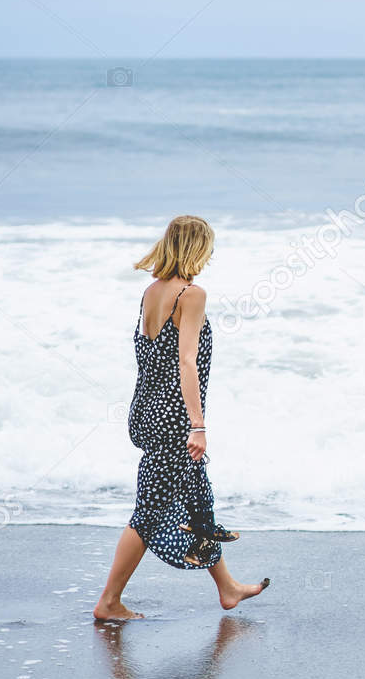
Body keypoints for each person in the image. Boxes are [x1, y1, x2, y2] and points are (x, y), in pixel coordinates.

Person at [93, 214, 270, 622]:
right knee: (148, 511)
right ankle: (108, 601)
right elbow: (186, 363)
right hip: (174, 418)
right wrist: (198, 425)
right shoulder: (191, 294)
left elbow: (150, 357)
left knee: (196, 501)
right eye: (207, 248)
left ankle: (227, 588)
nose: (209, 257)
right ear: (197, 248)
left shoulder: (151, 292)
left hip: (147, 410)